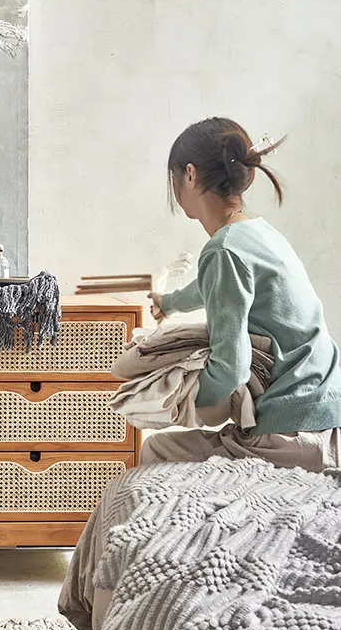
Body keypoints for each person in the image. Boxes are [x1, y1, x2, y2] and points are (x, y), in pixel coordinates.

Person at [142, 117, 341, 471]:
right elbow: (218, 288)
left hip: (290, 432)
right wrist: (169, 303)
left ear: (188, 174)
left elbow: (231, 368)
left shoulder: (224, 251)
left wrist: (169, 401)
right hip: (328, 417)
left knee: (157, 450)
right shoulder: (258, 233)